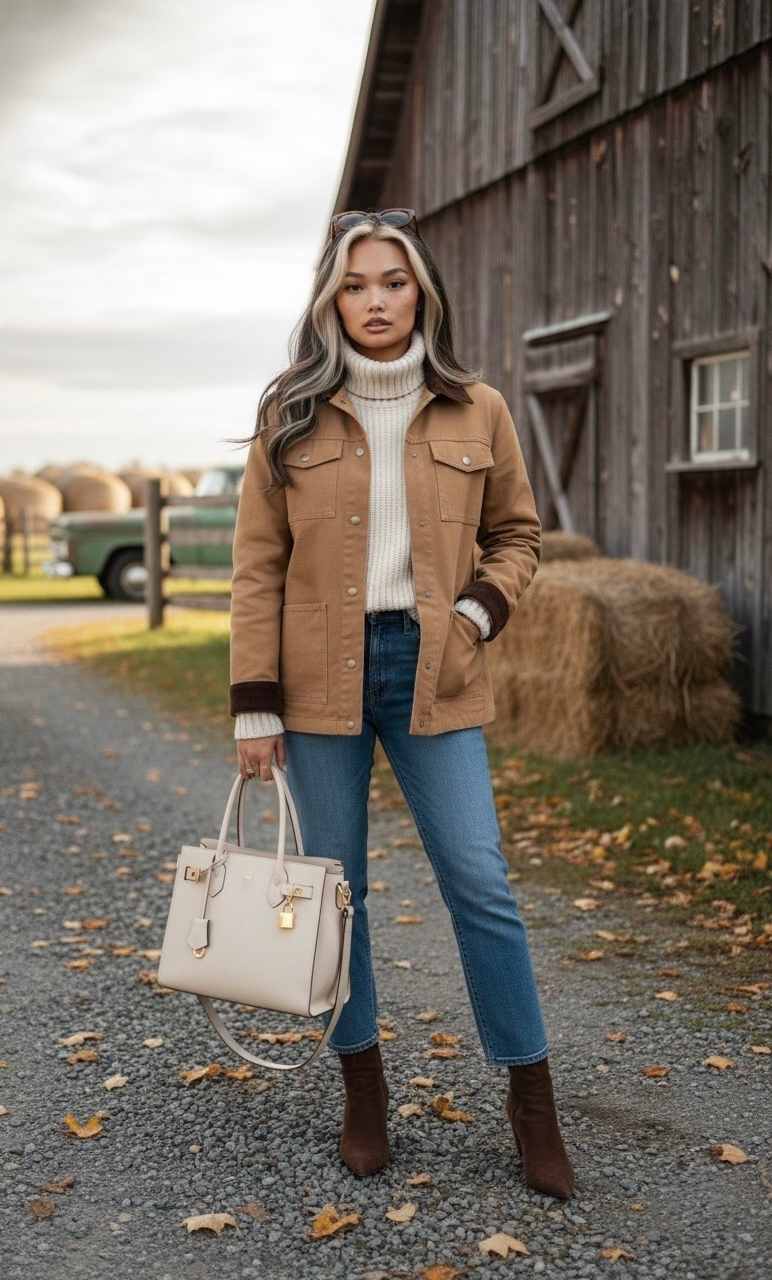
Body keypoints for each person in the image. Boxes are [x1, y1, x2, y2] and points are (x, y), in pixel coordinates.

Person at [229, 207, 574, 1198]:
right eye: (354, 283)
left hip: (437, 669)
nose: (373, 299)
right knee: (339, 898)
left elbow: (518, 535)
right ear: (328, 296)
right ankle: (363, 1089)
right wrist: (255, 702)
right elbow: (256, 566)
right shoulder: (289, 412)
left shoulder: (477, 407)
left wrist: (472, 613)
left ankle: (530, 1101)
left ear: (419, 290)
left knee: (480, 881)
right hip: (314, 679)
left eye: (391, 280)